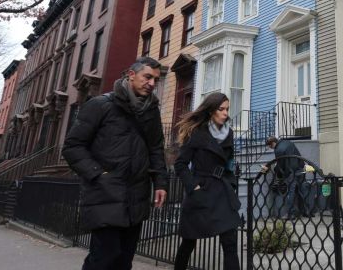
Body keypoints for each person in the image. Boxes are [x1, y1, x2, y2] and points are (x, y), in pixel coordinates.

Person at [62, 56, 168, 270]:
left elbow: (156, 149)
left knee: (123, 262)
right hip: (105, 194)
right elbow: (72, 147)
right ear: (131, 75)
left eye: (155, 80)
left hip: (136, 196)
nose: (151, 83)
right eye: (147, 77)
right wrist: (98, 174)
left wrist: (160, 183)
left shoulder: (151, 111)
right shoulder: (100, 105)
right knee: (103, 258)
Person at [173, 92, 241, 270]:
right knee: (189, 242)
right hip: (201, 191)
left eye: (227, 109)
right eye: (221, 109)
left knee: (230, 242)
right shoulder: (196, 132)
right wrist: (193, 187)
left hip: (222, 191)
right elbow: (180, 164)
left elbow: (229, 161)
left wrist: (231, 182)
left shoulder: (229, 133)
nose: (225, 113)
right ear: (211, 111)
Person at [263, 136, 311, 219]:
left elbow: (280, 165)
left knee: (291, 192)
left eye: (269, 146)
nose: (270, 148)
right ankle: (307, 211)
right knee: (302, 191)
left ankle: (291, 214)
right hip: (300, 168)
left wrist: (276, 171)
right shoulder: (288, 142)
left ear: (273, 143)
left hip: (291, 172)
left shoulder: (278, 150)